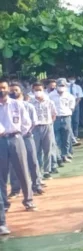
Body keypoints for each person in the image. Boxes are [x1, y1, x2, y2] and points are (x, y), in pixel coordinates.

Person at [0, 79, 34, 231]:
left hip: (16, 138)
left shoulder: (17, 104)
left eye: (4, 87)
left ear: (8, 89)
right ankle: (4, 203)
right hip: (1, 140)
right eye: (0, 88)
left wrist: (19, 134)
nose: (2, 90)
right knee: (2, 174)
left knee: (22, 170)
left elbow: (27, 123)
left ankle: (28, 200)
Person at [50, 78, 75, 163]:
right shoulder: (51, 96)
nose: (61, 87)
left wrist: (67, 114)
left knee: (66, 137)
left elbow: (72, 107)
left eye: (63, 85)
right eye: (59, 85)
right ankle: (59, 156)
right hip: (55, 118)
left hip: (66, 117)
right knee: (56, 138)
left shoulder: (69, 96)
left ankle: (65, 154)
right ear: (56, 86)